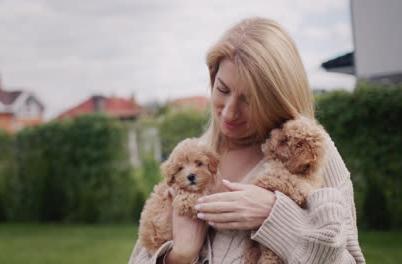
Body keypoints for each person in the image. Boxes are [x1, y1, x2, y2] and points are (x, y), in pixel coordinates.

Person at [129, 17, 365, 264]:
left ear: (278, 99)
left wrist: (275, 216)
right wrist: (179, 256)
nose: (230, 113)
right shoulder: (192, 157)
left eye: (249, 100)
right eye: (222, 89)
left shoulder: (309, 153)